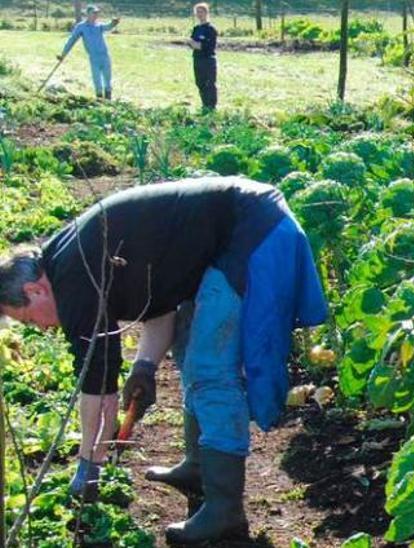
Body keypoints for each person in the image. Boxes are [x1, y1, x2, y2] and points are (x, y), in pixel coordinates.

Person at [0, 177, 328, 543]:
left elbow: (98, 383)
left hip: (252, 233)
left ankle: (226, 510)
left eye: (29, 319)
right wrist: (145, 367)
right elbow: (159, 301)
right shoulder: (66, 260)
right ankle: (198, 467)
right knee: (190, 349)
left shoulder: (73, 280)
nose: (42, 329)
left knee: (210, 369)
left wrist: (88, 463)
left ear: (34, 290)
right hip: (241, 226)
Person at [58, 5, 119, 100]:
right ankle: (99, 99)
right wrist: (63, 54)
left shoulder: (99, 26)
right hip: (94, 57)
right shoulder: (81, 27)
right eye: (93, 13)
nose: (96, 15)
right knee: (97, 80)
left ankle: (108, 100)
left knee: (107, 79)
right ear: (88, 14)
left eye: (97, 13)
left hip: (104, 55)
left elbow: (108, 27)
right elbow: (71, 40)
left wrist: (114, 23)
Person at [188, 3, 218, 111]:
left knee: (209, 83)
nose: (199, 14)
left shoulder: (211, 29)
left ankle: (211, 106)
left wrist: (198, 45)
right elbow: (191, 42)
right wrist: (197, 45)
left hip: (208, 60)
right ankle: (204, 105)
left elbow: (209, 46)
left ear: (206, 13)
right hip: (197, 59)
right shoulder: (196, 28)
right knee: (199, 82)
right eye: (197, 12)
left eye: (201, 12)